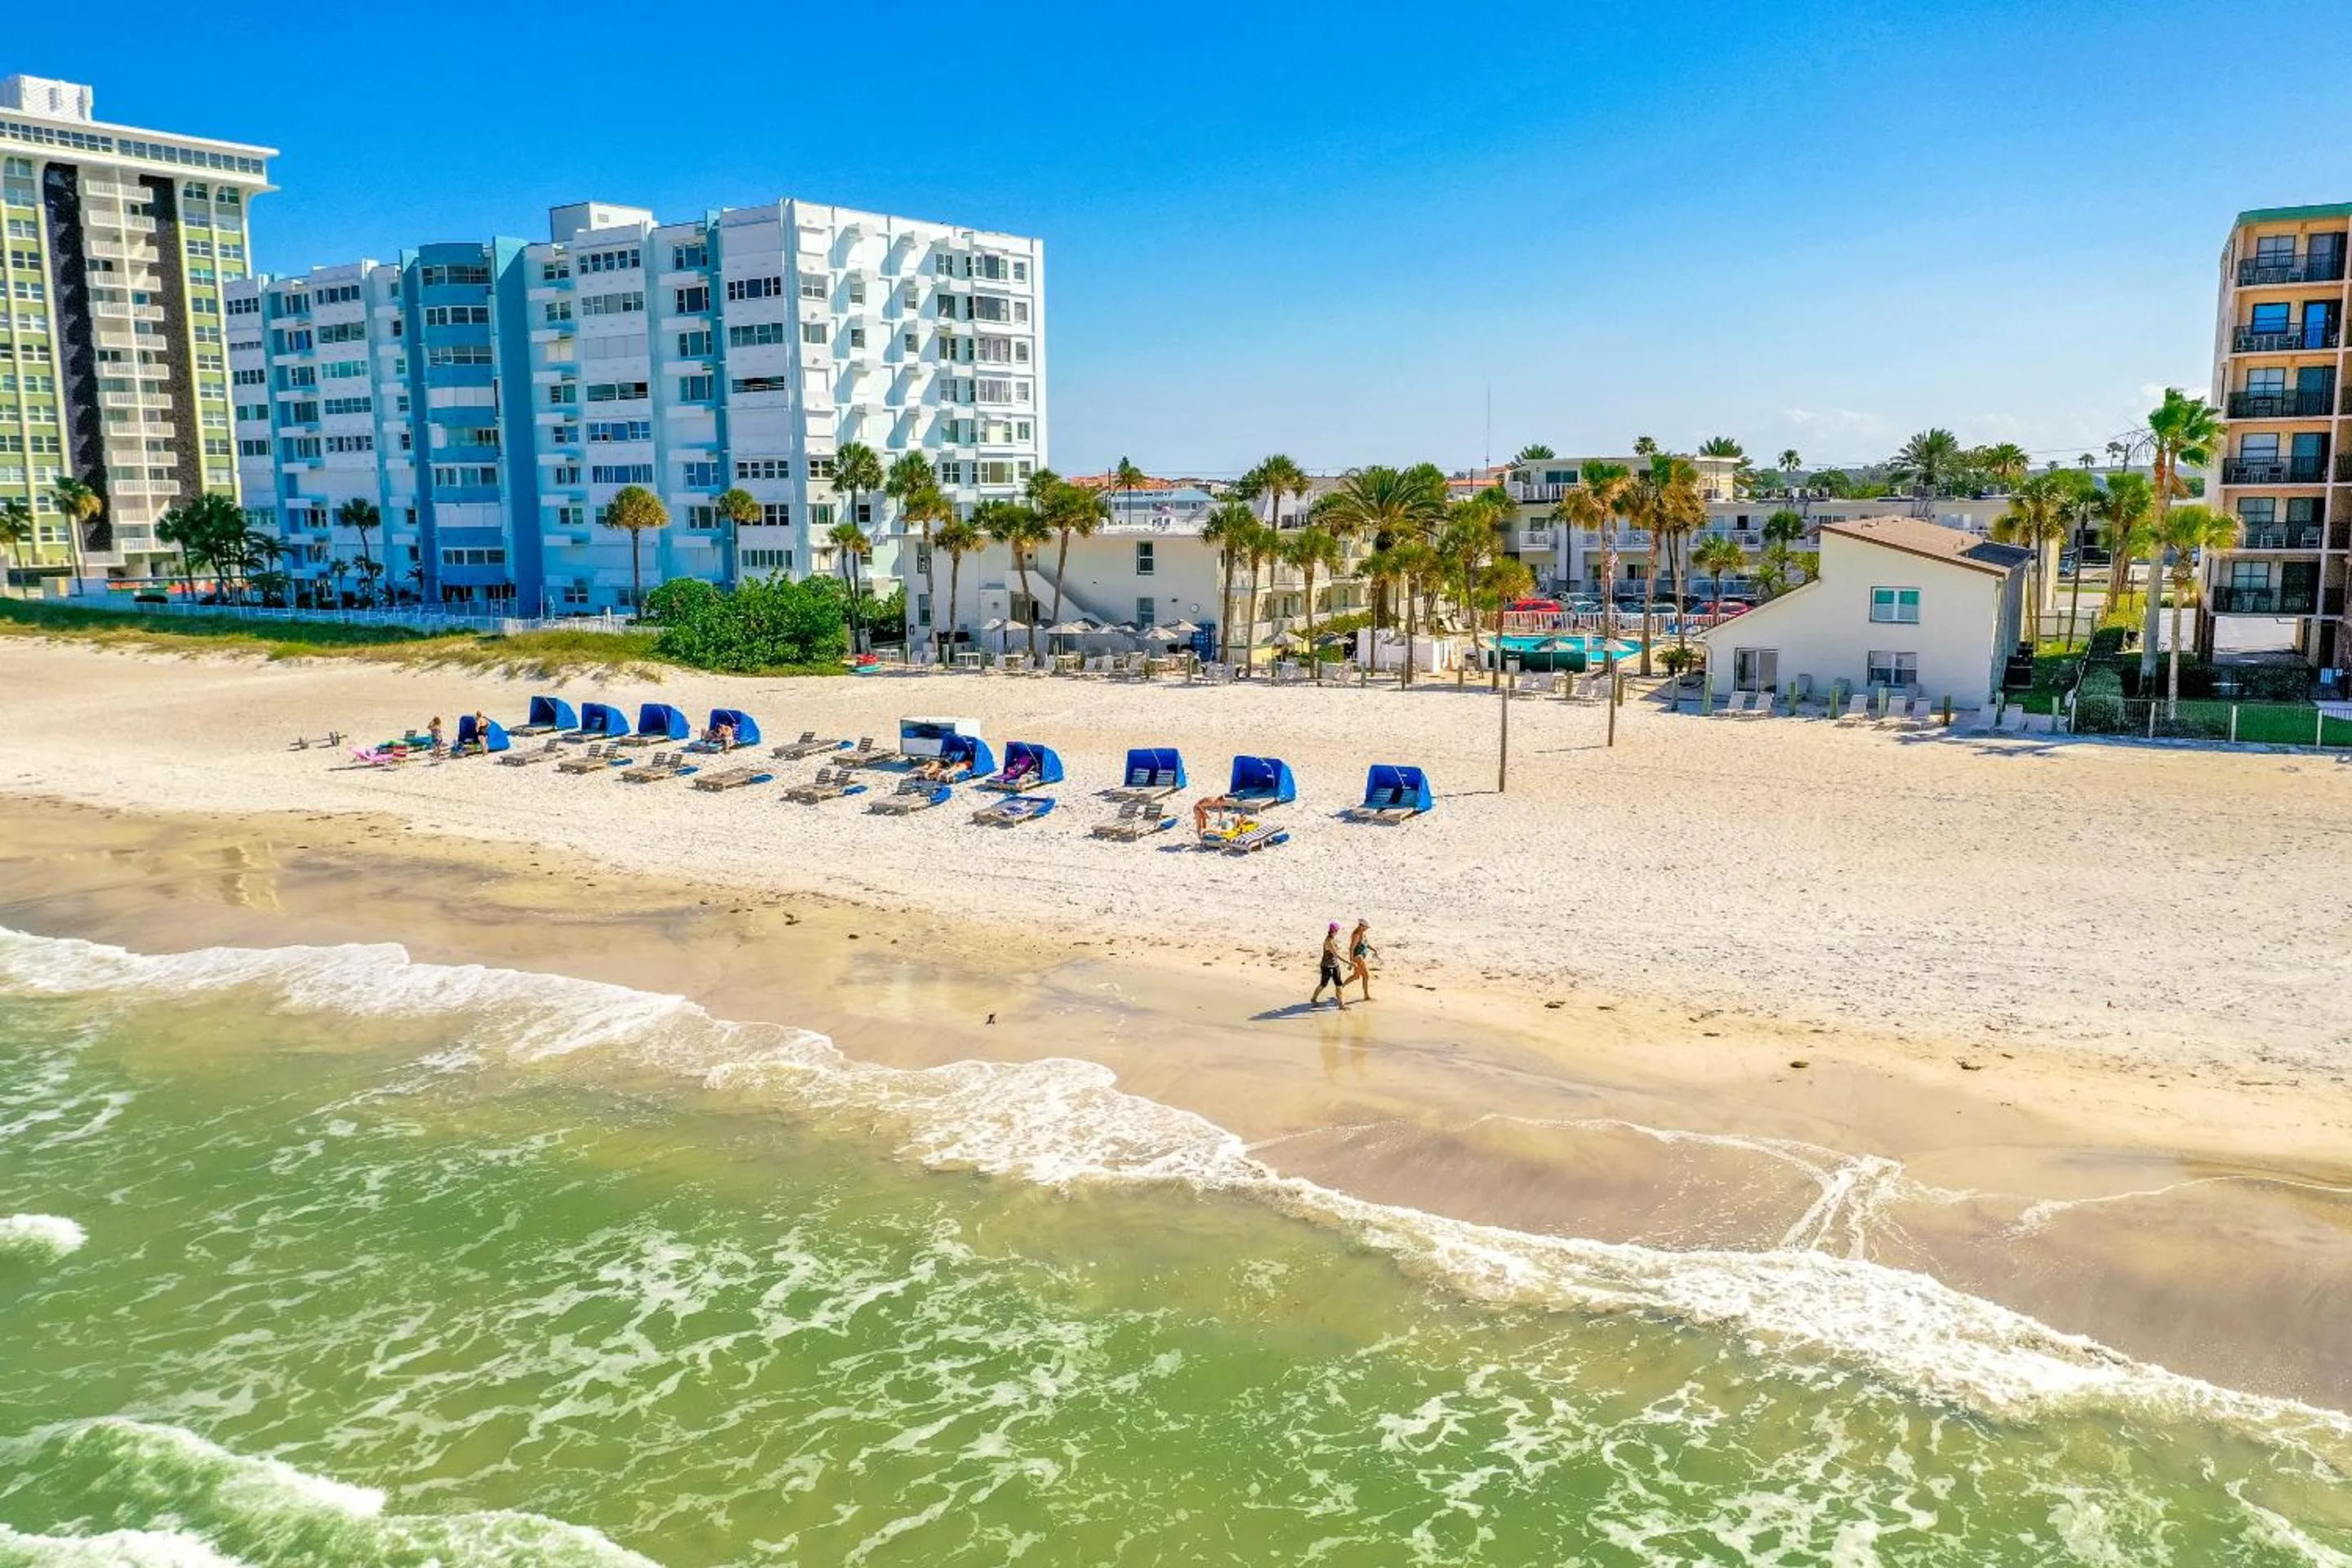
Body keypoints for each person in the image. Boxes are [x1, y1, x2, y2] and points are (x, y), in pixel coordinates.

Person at [1310, 923, 1349, 1010]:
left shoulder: (1332, 939)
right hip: (1326, 966)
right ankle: (1313, 999)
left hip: (1335, 965)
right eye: (1337, 930)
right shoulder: (1329, 941)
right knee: (1323, 984)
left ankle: (1341, 1005)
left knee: (1339, 984)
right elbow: (1336, 955)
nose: (1338, 932)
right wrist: (1349, 963)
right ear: (1334, 931)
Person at [1348, 920, 1377, 1003]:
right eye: (1366, 928)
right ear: (1361, 926)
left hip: (1360, 957)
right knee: (1366, 976)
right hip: (1358, 958)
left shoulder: (1363, 933)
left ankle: (1340, 988)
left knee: (1356, 976)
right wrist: (1351, 961)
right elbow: (1352, 948)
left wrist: (1373, 949)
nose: (1367, 929)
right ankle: (1366, 995)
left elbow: (1366, 944)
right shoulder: (1356, 935)